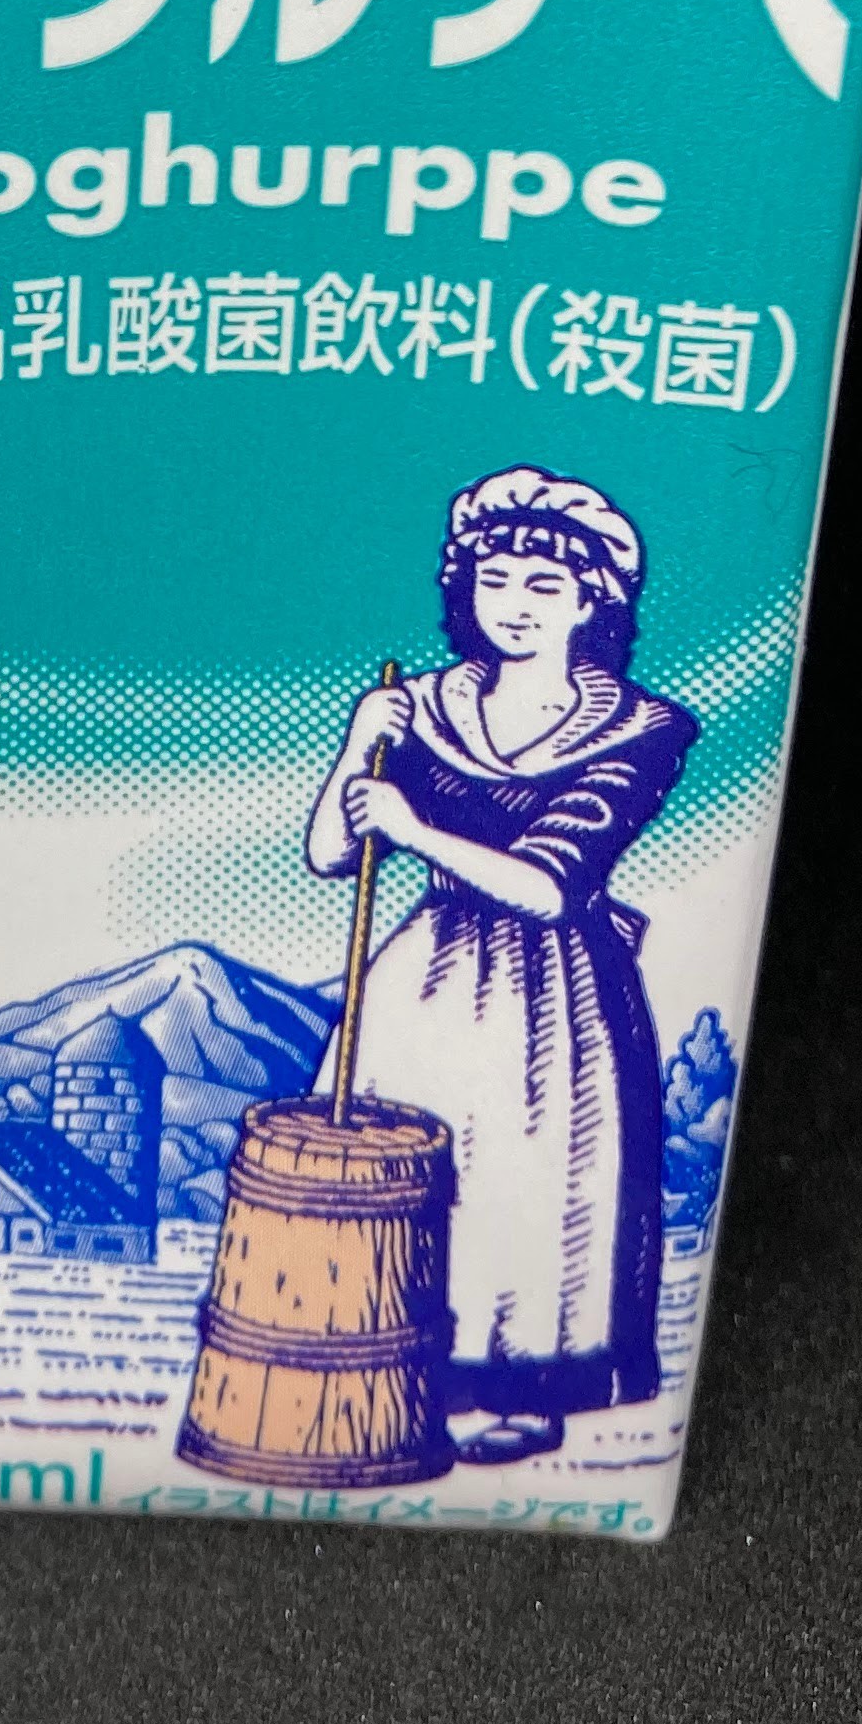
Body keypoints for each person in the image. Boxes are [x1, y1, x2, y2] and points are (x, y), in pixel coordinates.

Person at [307, 468, 696, 1465]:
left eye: (542, 585)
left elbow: (552, 887)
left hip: (553, 997)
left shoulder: (640, 730)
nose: (514, 604)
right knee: (409, 1175)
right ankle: (386, 1365)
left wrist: (413, 828)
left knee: (524, 1184)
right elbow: (331, 854)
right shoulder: (422, 706)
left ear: (590, 601)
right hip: (424, 982)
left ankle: (514, 1388)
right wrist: (358, 748)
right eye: (494, 581)